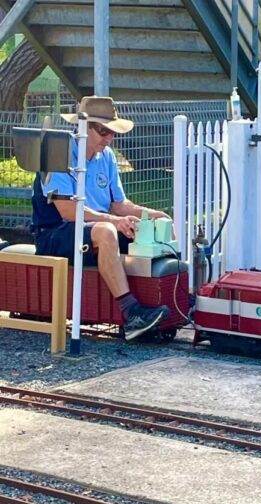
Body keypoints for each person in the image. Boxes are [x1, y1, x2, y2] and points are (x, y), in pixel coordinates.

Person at [31, 96, 171, 340]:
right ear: (83, 127)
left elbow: (119, 204)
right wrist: (114, 222)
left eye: (112, 132)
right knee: (106, 231)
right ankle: (132, 315)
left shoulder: (106, 157)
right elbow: (68, 211)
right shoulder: (57, 155)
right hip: (55, 233)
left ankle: (174, 301)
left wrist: (150, 215)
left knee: (155, 226)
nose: (110, 138)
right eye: (104, 131)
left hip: (93, 229)